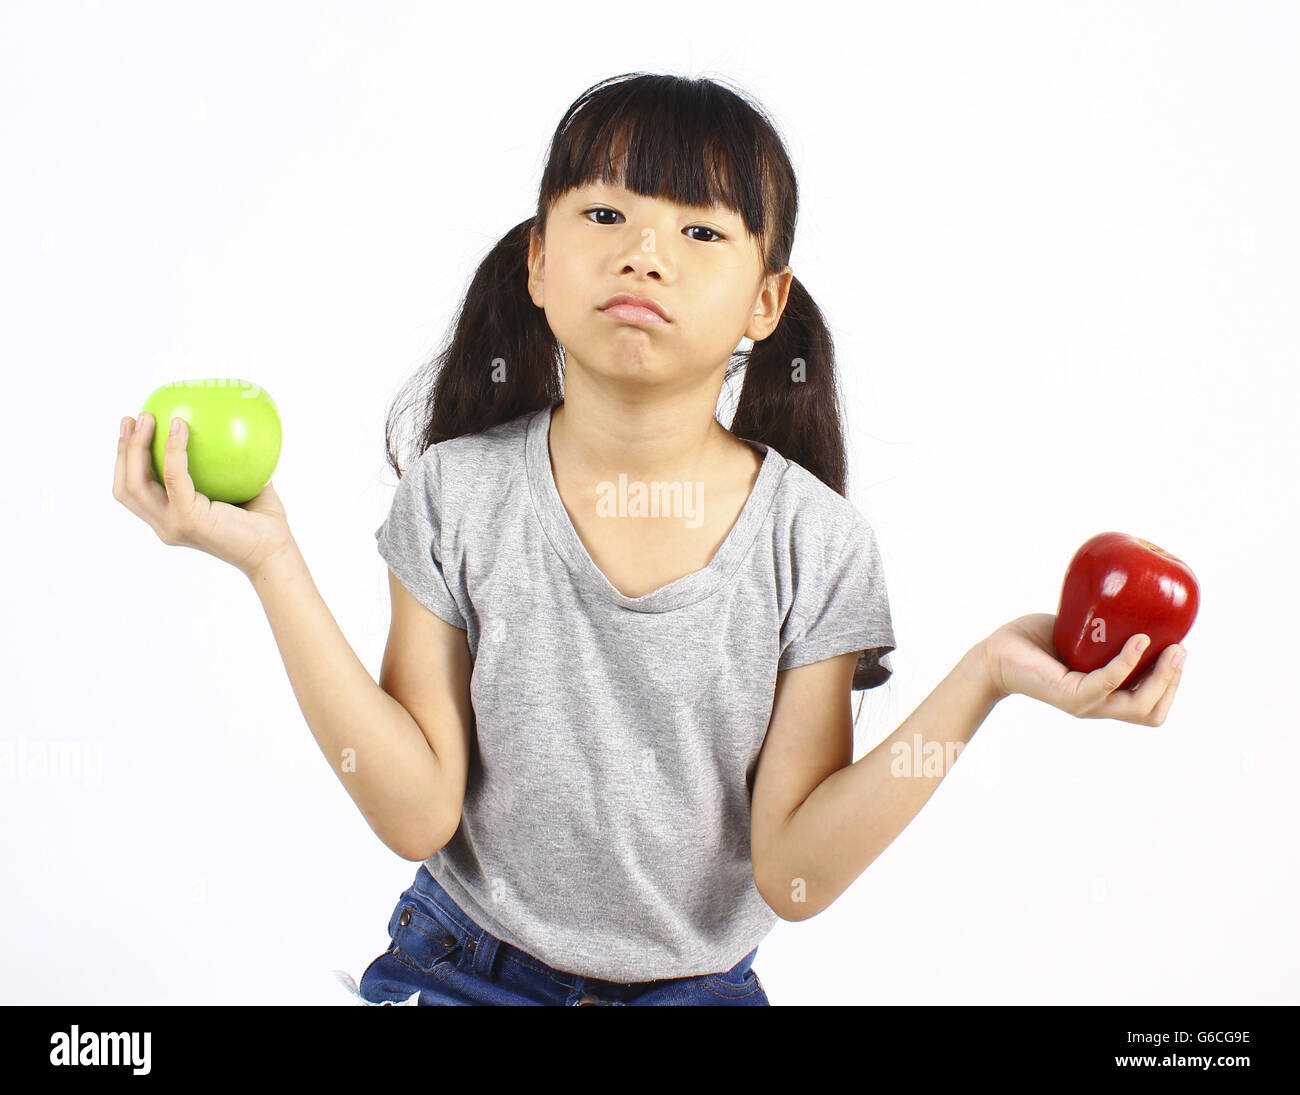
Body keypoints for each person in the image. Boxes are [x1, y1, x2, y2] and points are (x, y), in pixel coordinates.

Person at [111, 71, 1188, 1006]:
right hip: (458, 972)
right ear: (538, 265)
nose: (644, 253)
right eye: (604, 216)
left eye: (701, 230)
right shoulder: (458, 494)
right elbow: (414, 811)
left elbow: (796, 878)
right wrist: (272, 562)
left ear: (767, 302)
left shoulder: (817, 544)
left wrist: (989, 676)